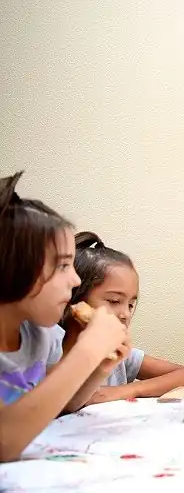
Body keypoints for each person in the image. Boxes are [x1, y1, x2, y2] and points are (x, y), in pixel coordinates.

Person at [0, 171, 128, 462]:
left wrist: (99, 367)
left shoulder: (38, 335)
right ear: (12, 268)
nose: (75, 280)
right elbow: (5, 442)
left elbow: (63, 405)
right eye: (62, 266)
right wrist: (88, 350)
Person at [60, 232, 184, 404]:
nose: (125, 314)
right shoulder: (49, 351)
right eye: (114, 301)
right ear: (73, 298)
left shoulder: (120, 355)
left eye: (130, 305)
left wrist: (126, 390)